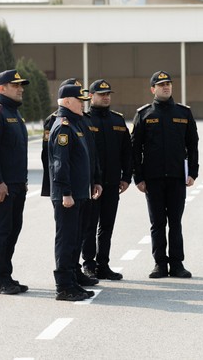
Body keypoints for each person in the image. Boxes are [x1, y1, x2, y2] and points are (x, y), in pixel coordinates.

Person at [131, 71, 199, 279]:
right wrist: (138, 177)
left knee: (175, 222)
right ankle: (160, 263)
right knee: (158, 222)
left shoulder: (183, 113)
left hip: (177, 177)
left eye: (168, 84)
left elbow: (192, 145)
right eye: (160, 85)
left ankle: (177, 263)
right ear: (153, 89)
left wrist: (193, 172)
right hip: (153, 178)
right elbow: (135, 149)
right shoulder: (144, 114)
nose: (165, 87)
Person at [49, 84, 100, 301]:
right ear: (68, 101)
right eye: (79, 100)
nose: (83, 104)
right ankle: (64, 286)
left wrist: (92, 182)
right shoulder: (64, 126)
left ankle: (72, 281)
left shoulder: (76, 124)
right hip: (68, 196)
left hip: (80, 193)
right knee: (67, 239)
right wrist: (66, 193)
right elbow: (61, 164)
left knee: (75, 238)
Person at [0, 70, 30, 294]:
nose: (20, 88)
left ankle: (3, 274)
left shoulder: (14, 113)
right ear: (1, 88)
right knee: (1, 231)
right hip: (2, 185)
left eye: (21, 85)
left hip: (16, 184)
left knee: (12, 230)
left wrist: (22, 181)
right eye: (15, 85)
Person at [83, 79, 132, 281]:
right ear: (91, 96)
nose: (106, 97)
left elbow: (127, 152)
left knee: (107, 225)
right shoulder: (85, 120)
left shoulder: (117, 120)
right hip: (91, 185)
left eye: (108, 94)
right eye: (101, 94)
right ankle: (88, 264)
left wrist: (126, 177)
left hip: (112, 183)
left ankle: (103, 264)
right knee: (89, 225)